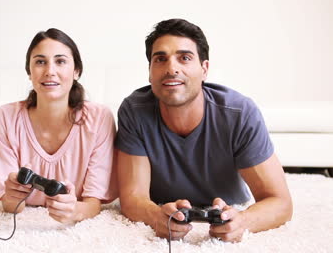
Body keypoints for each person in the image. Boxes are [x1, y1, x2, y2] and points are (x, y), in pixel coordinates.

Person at [115, 18, 292, 242]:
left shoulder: (239, 113)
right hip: (164, 205)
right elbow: (132, 198)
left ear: (204, 69)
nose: (171, 68)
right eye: (160, 59)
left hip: (230, 203)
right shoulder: (134, 110)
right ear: (150, 72)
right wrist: (155, 216)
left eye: (185, 58)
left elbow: (281, 202)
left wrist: (243, 221)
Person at [0, 28, 117, 224]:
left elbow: (93, 203)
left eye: (60, 61)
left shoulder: (99, 118)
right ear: (29, 72)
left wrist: (75, 211)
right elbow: (10, 205)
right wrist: (12, 197)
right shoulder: (6, 116)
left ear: (76, 71)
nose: (50, 71)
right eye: (40, 62)